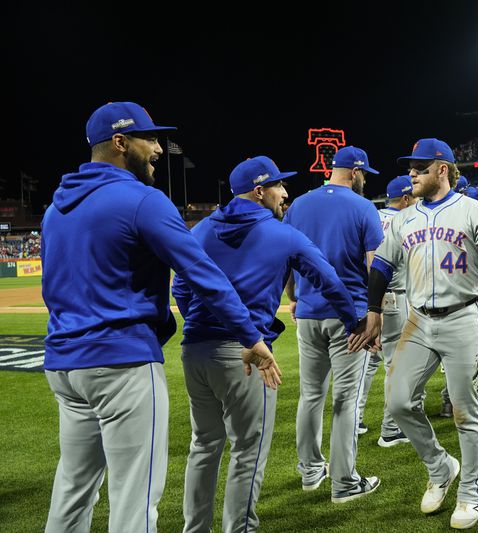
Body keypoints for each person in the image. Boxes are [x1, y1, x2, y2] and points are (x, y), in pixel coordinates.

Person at [41, 101, 278, 533]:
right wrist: (251, 336)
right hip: (121, 365)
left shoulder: (55, 209)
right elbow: (204, 275)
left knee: (74, 490)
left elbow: (51, 289)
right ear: (119, 142)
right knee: (135, 498)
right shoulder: (142, 200)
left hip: (64, 367)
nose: (158, 148)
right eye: (149, 138)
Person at [172, 156, 360, 532]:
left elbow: (180, 287)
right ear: (259, 191)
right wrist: (354, 322)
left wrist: (201, 320)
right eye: (278, 186)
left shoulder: (202, 229)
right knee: (247, 453)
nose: (284, 193)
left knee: (204, 447)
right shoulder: (284, 233)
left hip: (195, 350)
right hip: (245, 353)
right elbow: (330, 282)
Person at [349, 138, 478, 529]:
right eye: (411, 167)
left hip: (463, 317)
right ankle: (441, 467)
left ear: (443, 170)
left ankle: (470, 490)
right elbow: (382, 268)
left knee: (463, 410)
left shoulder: (474, 211)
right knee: (399, 402)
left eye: (420, 168)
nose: (411, 173)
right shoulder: (404, 218)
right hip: (418, 319)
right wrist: (373, 312)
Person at [284, 145, 383, 503]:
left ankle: (310, 471)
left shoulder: (298, 204)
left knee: (311, 395)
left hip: (308, 313)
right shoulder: (363, 206)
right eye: (363, 175)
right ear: (355, 172)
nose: (363, 181)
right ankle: (344, 482)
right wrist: (376, 313)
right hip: (350, 318)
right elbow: (375, 266)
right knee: (345, 400)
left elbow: (288, 258)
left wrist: (294, 297)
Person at [357, 176, 416, 447]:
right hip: (394, 299)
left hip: (366, 297)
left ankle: (356, 420)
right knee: (397, 362)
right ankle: (391, 429)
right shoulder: (407, 220)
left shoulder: (372, 214)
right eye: (413, 197)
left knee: (369, 363)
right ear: (405, 199)